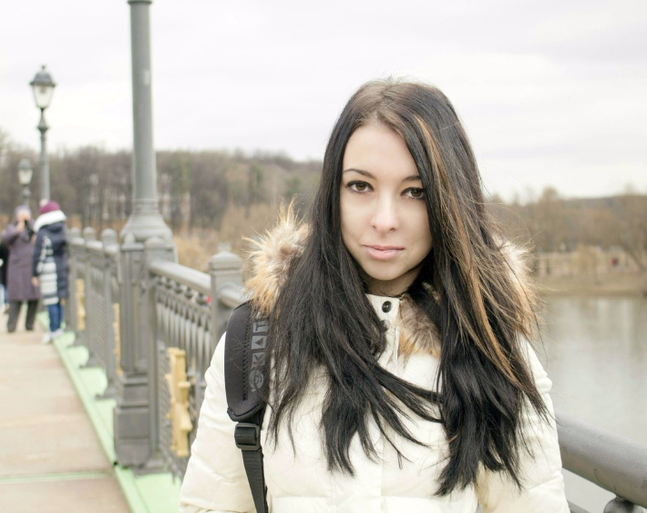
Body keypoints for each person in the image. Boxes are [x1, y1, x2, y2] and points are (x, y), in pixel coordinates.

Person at [179, 78, 568, 512]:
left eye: (415, 192)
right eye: (360, 186)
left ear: (449, 201)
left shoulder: (490, 346)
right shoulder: (259, 340)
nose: (384, 220)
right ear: (332, 193)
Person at [31, 201, 68, 344]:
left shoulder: (43, 232)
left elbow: (38, 255)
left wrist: (35, 273)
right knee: (58, 299)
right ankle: (58, 328)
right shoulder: (63, 229)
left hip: (48, 269)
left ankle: (53, 330)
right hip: (61, 266)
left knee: (50, 300)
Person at [0, 206, 40, 332]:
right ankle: (11, 325)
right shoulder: (12, 228)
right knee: (15, 297)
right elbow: (4, 240)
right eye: (20, 216)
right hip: (17, 267)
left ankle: (29, 324)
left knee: (34, 296)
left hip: (32, 266)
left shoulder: (35, 228)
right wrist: (17, 230)